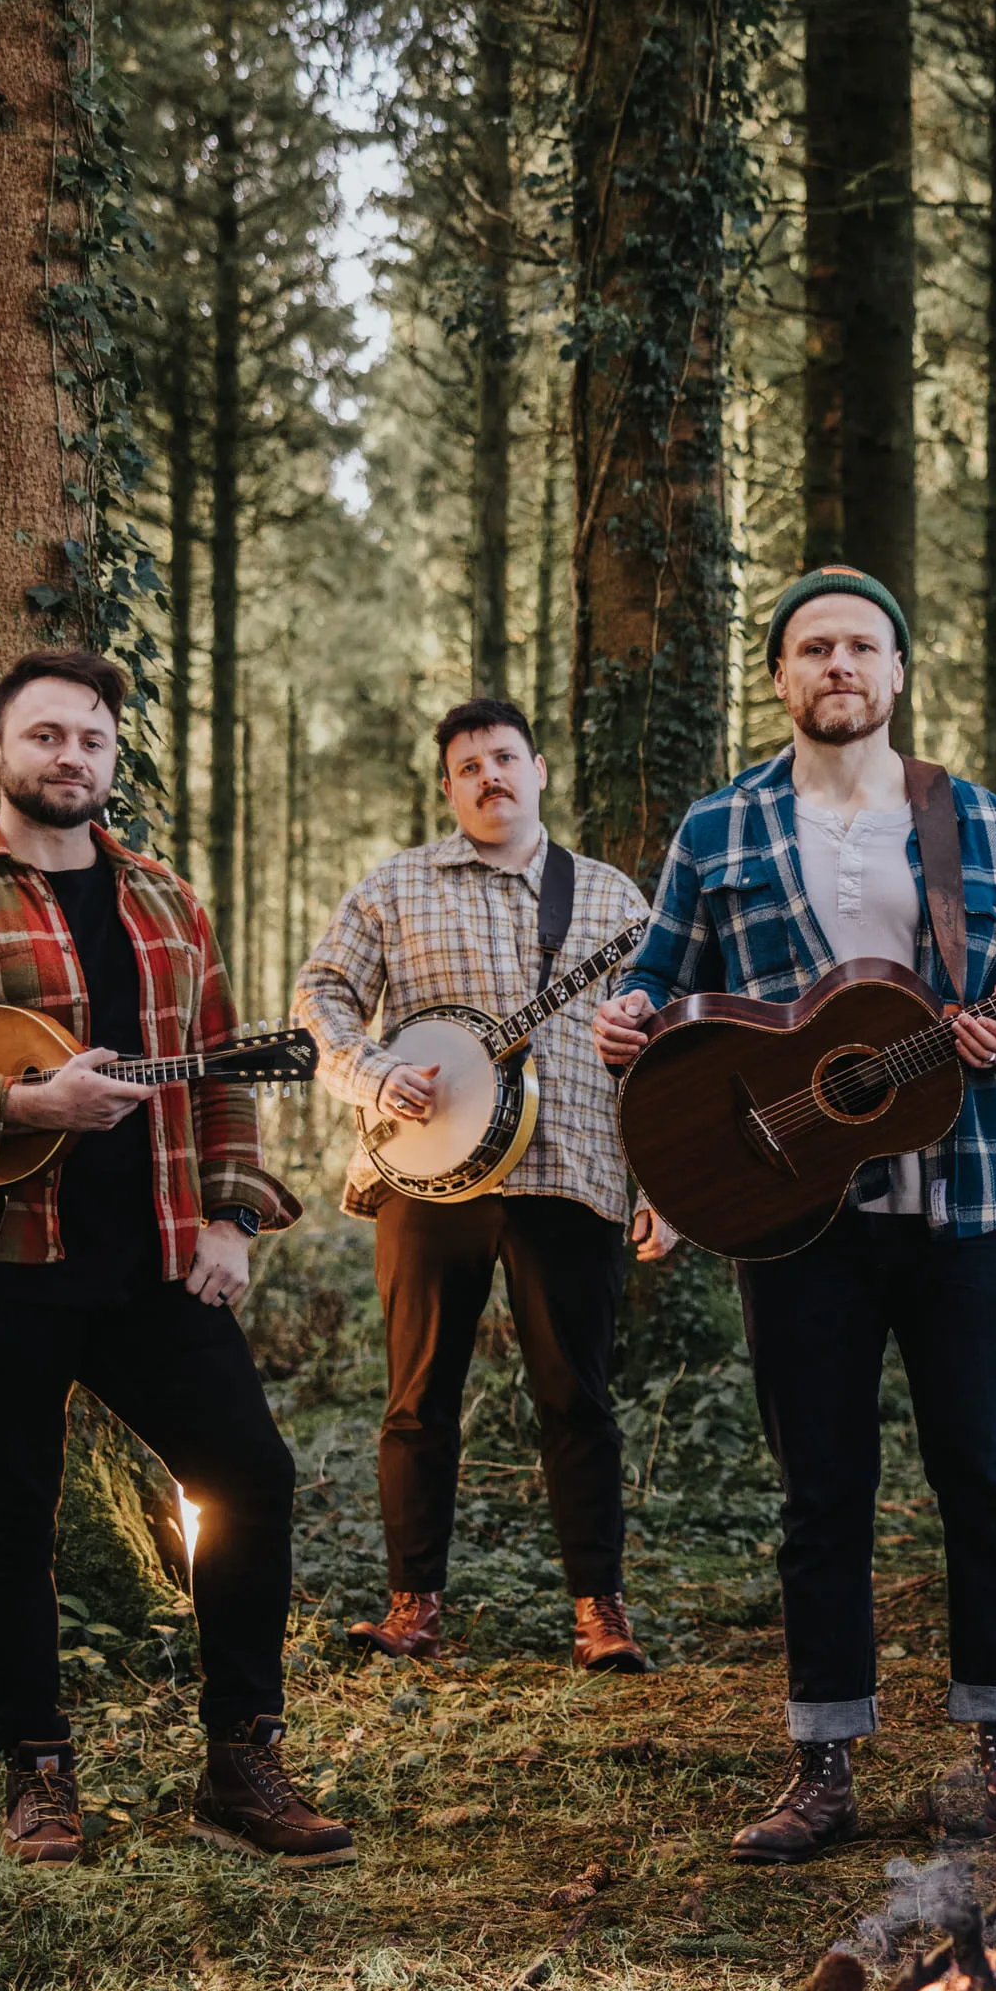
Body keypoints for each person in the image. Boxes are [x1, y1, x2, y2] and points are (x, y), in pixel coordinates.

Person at [593, 565, 996, 1864]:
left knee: (987, 1480)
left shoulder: (972, 821)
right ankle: (822, 1765)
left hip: (958, 1202)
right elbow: (660, 986)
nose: (838, 668)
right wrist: (623, 1024)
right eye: (813, 648)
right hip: (791, 1210)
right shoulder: (718, 830)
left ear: (898, 673)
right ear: (780, 675)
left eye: (862, 648)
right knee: (821, 1489)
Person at [0, 648, 349, 1868]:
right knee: (13, 1515)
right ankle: (37, 1769)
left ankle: (241, 1758)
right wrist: (26, 1108)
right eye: (46, 737)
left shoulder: (171, 904)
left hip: (157, 1263)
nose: (70, 757)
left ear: (113, 759)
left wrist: (232, 1218)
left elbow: (226, 1073)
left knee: (250, 1475)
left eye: (91, 740)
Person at [295, 698, 669, 1672]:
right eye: (468, 765)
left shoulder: (613, 900)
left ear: (540, 770)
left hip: (573, 1170)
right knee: (418, 1396)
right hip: (429, 1175)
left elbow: (669, 1050)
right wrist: (374, 1071)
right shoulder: (396, 887)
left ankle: (601, 1609)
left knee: (577, 1398)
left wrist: (663, 1184)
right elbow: (321, 996)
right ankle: (413, 1603)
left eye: (505, 757)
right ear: (449, 786)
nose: (489, 775)